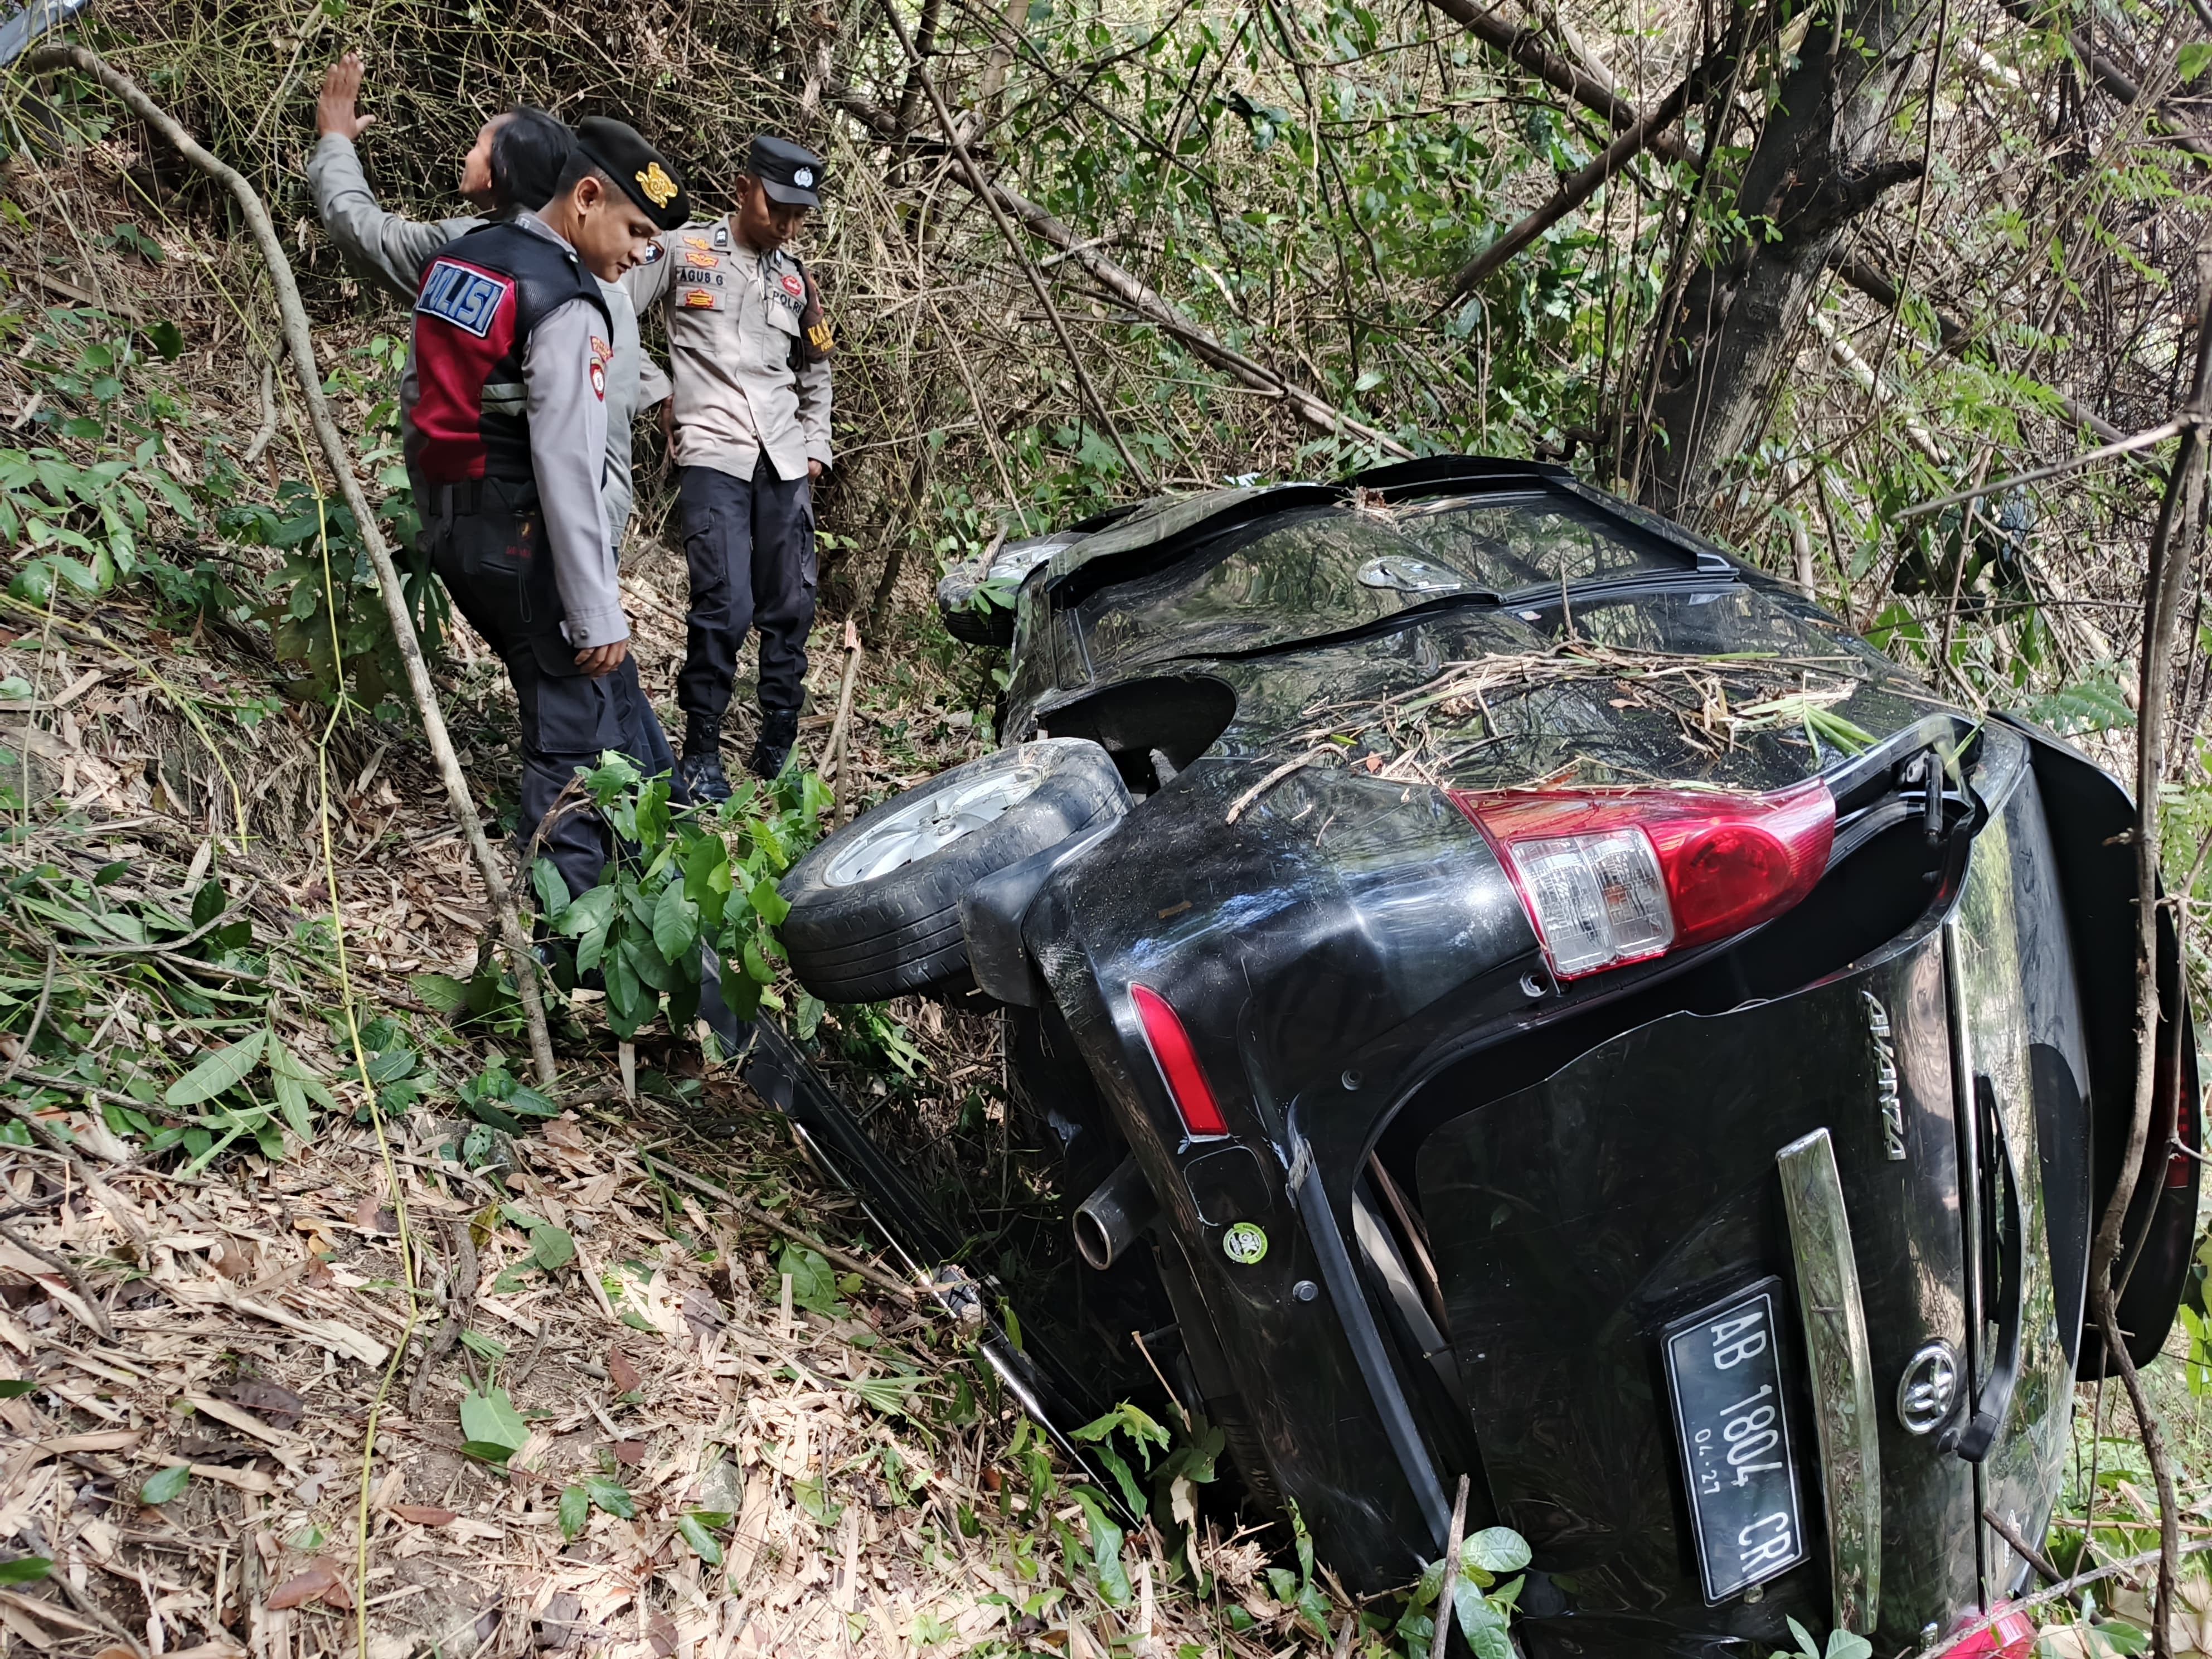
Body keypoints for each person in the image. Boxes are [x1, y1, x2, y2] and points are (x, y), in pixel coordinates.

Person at [403, 117, 688, 907]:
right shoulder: (564, 303)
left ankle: (676, 832)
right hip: (521, 541)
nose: (640, 255)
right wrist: (597, 609)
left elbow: (421, 399)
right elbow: (568, 465)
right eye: (636, 232)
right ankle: (573, 957)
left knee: (609, 689)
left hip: (454, 528)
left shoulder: (463, 259)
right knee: (571, 737)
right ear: (587, 197)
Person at [308, 54, 664, 555]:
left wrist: (336, 142)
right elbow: (609, 433)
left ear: (502, 170)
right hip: (583, 536)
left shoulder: (472, 251)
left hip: (506, 533)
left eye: (479, 144)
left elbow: (362, 231)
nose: (468, 155)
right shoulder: (607, 287)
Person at [626, 134, 834, 801]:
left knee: (790, 601)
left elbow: (818, 372)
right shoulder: (681, 251)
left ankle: (779, 732)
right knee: (726, 602)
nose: (789, 225)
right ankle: (703, 747)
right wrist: (657, 392)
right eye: (779, 209)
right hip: (713, 451)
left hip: (782, 455)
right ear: (744, 188)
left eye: (801, 214)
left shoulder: (797, 280)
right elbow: (608, 310)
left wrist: (815, 447)